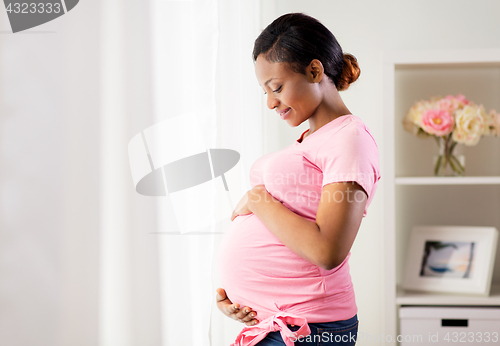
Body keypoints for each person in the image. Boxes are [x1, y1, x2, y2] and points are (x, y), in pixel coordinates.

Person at [215, 12, 381, 346]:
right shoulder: (315, 139)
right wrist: (244, 300)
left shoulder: (350, 138)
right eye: (264, 92)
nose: (271, 102)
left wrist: (259, 200)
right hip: (278, 325)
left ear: (315, 70)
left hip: (309, 329)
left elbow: (327, 250)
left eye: (276, 87)